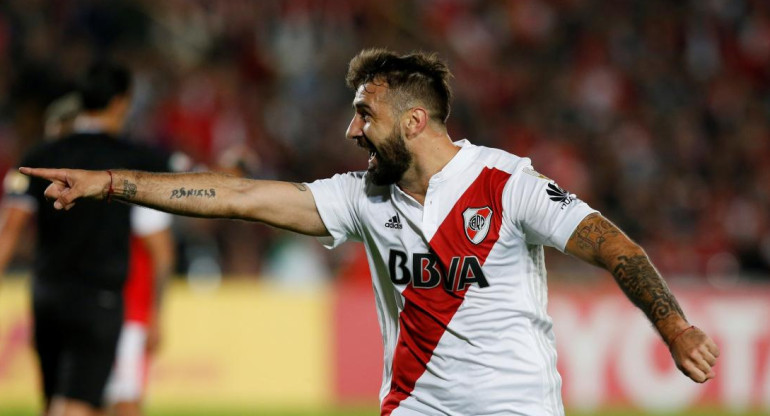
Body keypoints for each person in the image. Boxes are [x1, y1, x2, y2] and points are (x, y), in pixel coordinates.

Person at [21, 49, 720, 416]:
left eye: (365, 115)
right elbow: (236, 197)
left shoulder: (508, 186)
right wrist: (111, 183)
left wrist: (676, 326)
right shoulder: (361, 199)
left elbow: (616, 247)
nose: (351, 130)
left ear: (414, 122)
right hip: (414, 405)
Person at [0, 61, 173, 416]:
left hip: (46, 295)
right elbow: (160, 248)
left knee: (53, 403)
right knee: (80, 404)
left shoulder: (40, 157)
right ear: (122, 102)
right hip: (99, 299)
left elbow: (10, 231)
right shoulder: (133, 163)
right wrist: (156, 311)